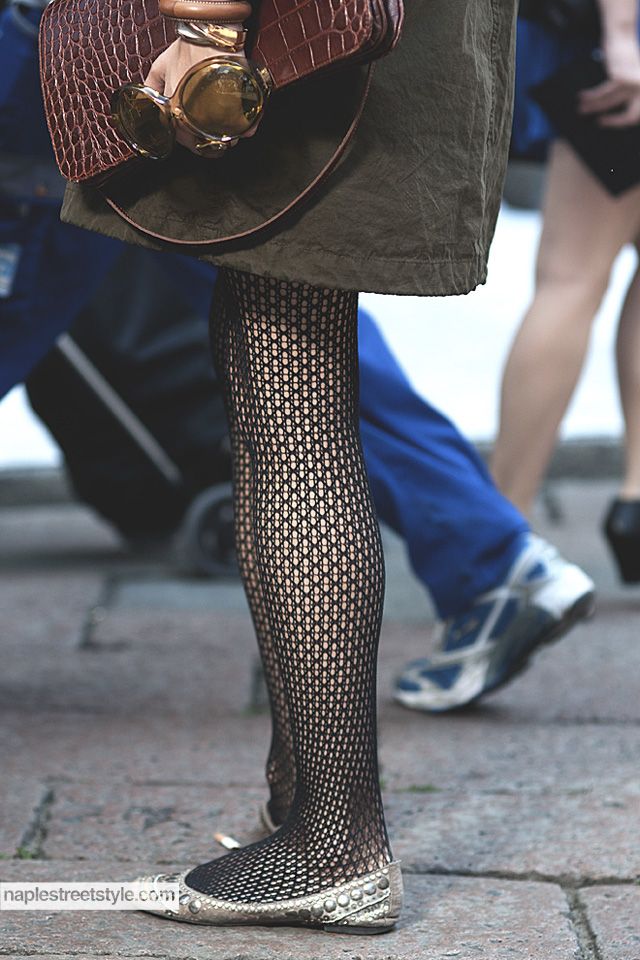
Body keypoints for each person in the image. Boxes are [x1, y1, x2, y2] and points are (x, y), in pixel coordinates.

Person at [51, 0, 519, 932]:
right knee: (267, 345)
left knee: (288, 383)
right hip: (377, 38)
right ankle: (303, 799)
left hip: (302, 49)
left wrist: (208, 23)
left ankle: (336, 846)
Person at [491, 0, 640, 583]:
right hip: (621, 47)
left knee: (571, 279)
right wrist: (622, 36)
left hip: (617, 46)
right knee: (575, 279)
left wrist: (621, 37)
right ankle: (630, 502)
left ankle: (499, 535)